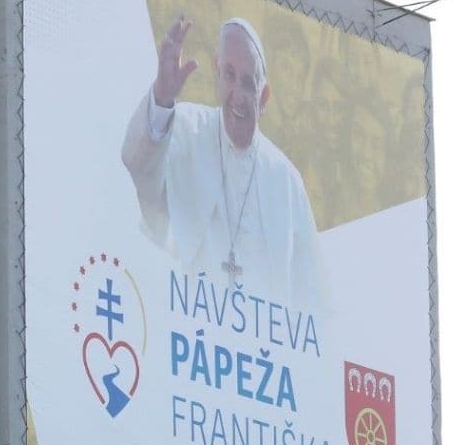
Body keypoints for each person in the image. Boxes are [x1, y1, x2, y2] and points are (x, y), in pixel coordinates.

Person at [120, 16, 321, 307]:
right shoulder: (186, 127)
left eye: (249, 84)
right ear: (217, 71)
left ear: (264, 97)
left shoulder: (286, 179)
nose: (237, 95)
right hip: (188, 333)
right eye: (229, 75)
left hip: (264, 347)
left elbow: (312, 296)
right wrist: (162, 98)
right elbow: (138, 168)